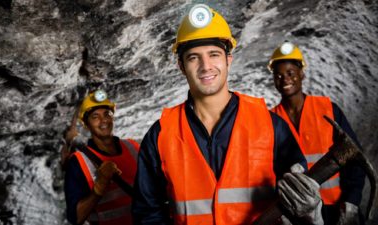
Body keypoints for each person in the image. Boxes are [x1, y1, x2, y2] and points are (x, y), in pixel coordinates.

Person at [132, 4, 324, 225]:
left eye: (214, 54)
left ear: (228, 60)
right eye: (193, 57)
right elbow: (147, 214)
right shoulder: (161, 135)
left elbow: (299, 203)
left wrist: (312, 212)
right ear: (181, 66)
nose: (206, 66)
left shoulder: (271, 127)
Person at [268, 41, 366, 224]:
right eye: (279, 75)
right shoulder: (270, 120)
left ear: (301, 74)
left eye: (290, 73)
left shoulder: (327, 108)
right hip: (297, 213)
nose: (285, 79)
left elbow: (355, 158)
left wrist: (351, 201)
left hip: (335, 207)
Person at [63, 90, 140, 225]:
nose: (103, 120)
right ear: (86, 125)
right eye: (95, 117)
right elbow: (76, 218)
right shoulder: (78, 162)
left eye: (107, 114)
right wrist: (100, 186)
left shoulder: (133, 146)